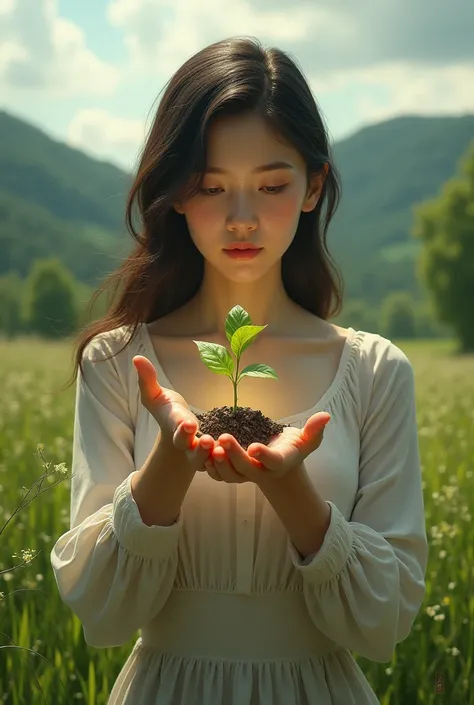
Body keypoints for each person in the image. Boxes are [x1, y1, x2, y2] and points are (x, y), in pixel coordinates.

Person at [50, 36, 428, 705]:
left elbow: (386, 619)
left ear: (313, 186)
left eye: (272, 185)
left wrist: (292, 489)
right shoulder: (116, 365)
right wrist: (171, 458)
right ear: (175, 196)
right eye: (211, 187)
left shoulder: (374, 372)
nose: (242, 217)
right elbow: (102, 615)